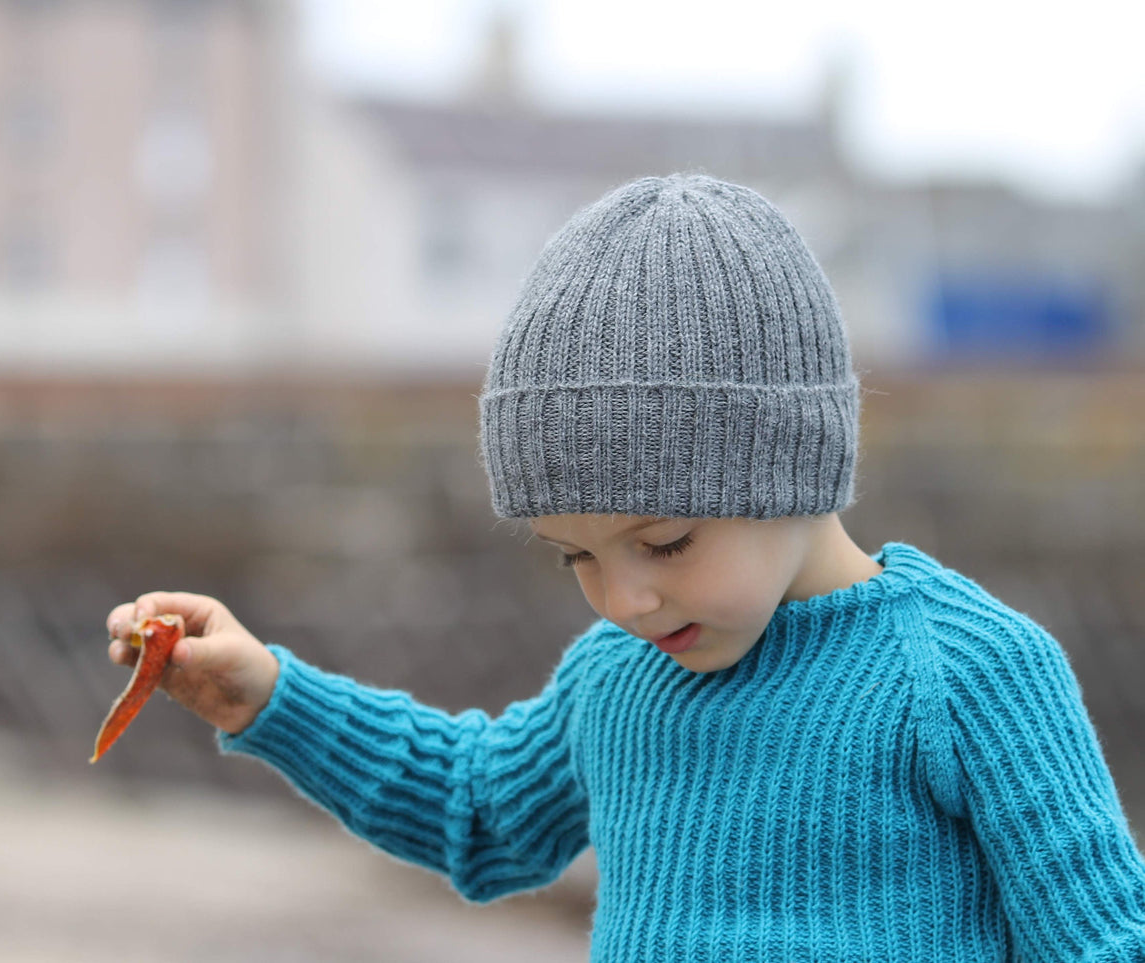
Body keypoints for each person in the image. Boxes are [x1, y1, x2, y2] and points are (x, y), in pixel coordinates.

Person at [104, 173, 1145, 959]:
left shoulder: (966, 672)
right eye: (574, 558)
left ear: (792, 462)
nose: (625, 598)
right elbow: (473, 810)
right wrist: (268, 698)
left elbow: (1103, 943)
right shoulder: (614, 679)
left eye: (664, 542)